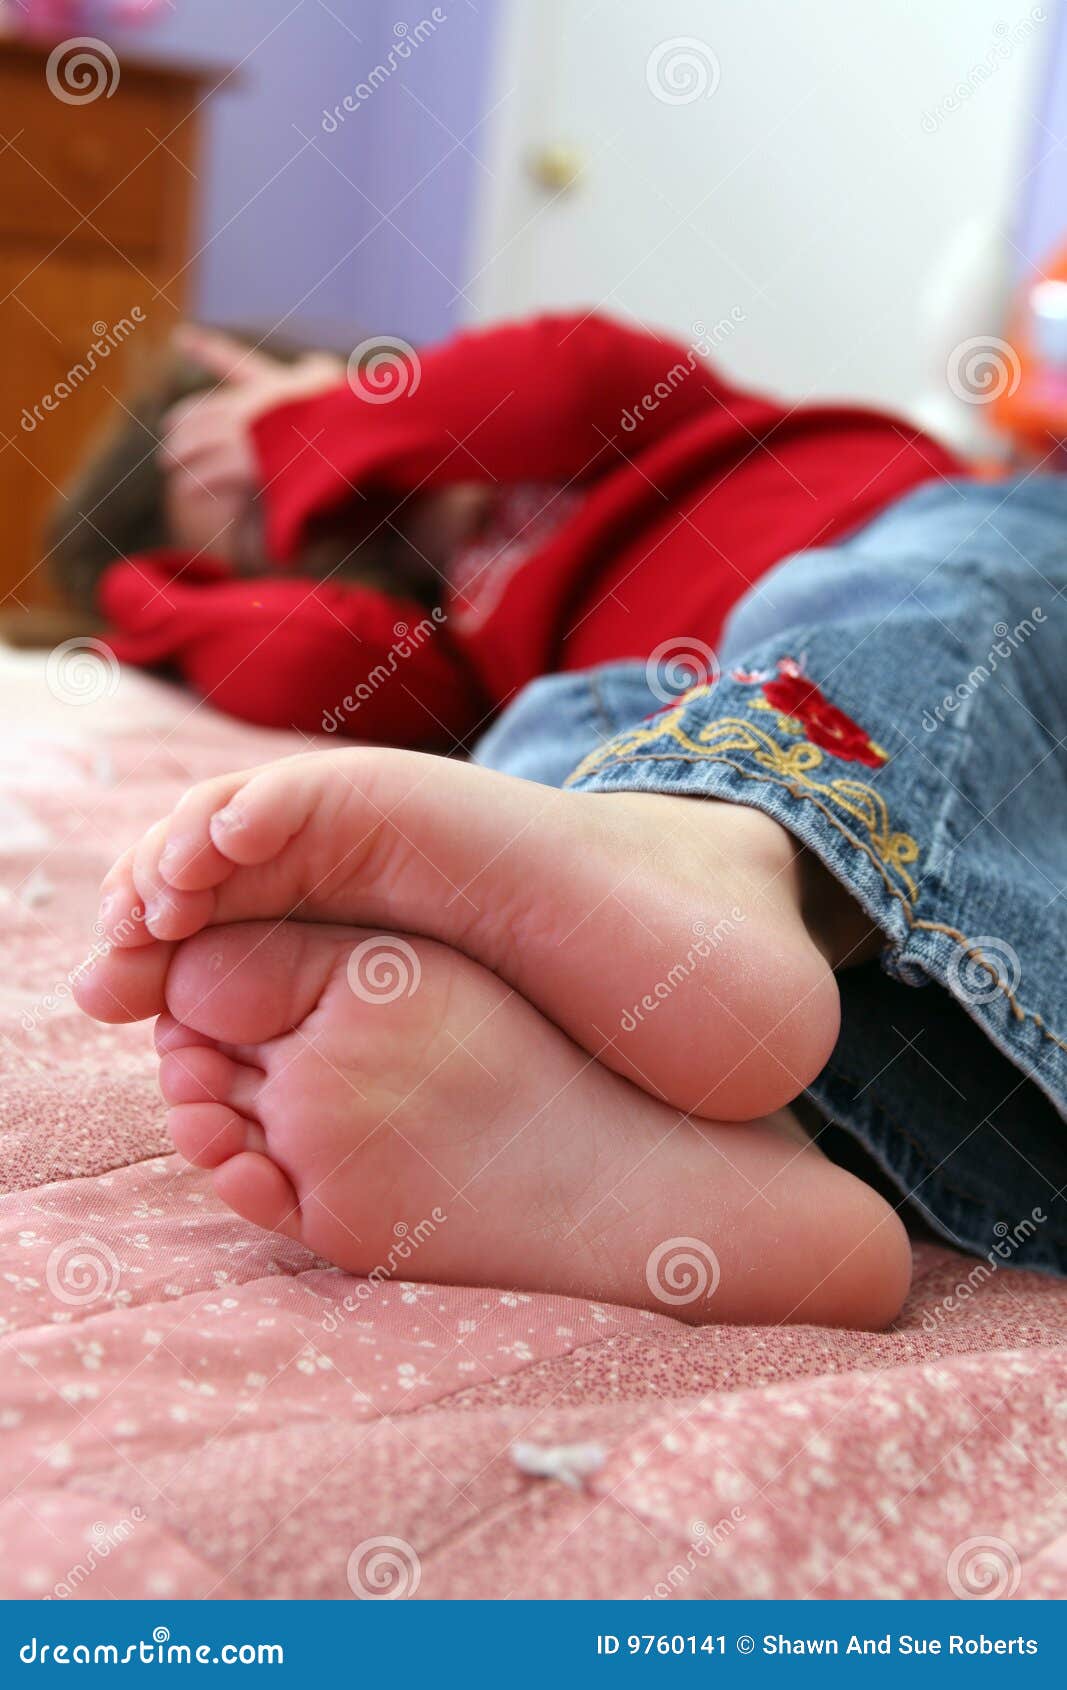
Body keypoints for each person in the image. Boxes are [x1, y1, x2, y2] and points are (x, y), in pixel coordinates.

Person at [71, 315, 1067, 1332]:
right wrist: (140, 589)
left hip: (958, 574)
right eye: (254, 532)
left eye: (263, 467)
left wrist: (301, 428)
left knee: (873, 608)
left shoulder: (598, 420)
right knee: (543, 749)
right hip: (827, 852)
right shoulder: (455, 629)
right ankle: (737, 1141)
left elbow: (562, 373)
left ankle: (716, 856)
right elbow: (311, 666)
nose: (278, 500)